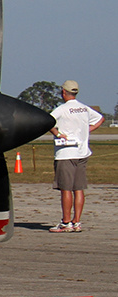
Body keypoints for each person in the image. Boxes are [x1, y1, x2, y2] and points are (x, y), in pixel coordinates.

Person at [49, 80, 104, 232]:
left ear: (64, 92)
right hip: (82, 153)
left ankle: (66, 222)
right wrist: (87, 131)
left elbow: (48, 122)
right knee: (78, 189)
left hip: (66, 153)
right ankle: (77, 222)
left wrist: (58, 133)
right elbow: (100, 119)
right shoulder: (83, 108)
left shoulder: (62, 109)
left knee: (66, 189)